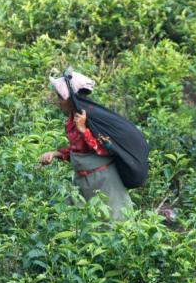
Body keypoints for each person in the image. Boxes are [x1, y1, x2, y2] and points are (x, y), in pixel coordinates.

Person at [38, 71, 133, 220]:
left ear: (72, 99)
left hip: (103, 181)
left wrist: (84, 130)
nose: (58, 102)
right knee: (80, 225)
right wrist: (55, 154)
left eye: (60, 97)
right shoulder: (71, 120)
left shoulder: (93, 119)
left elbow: (106, 149)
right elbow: (79, 150)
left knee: (114, 224)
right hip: (82, 181)